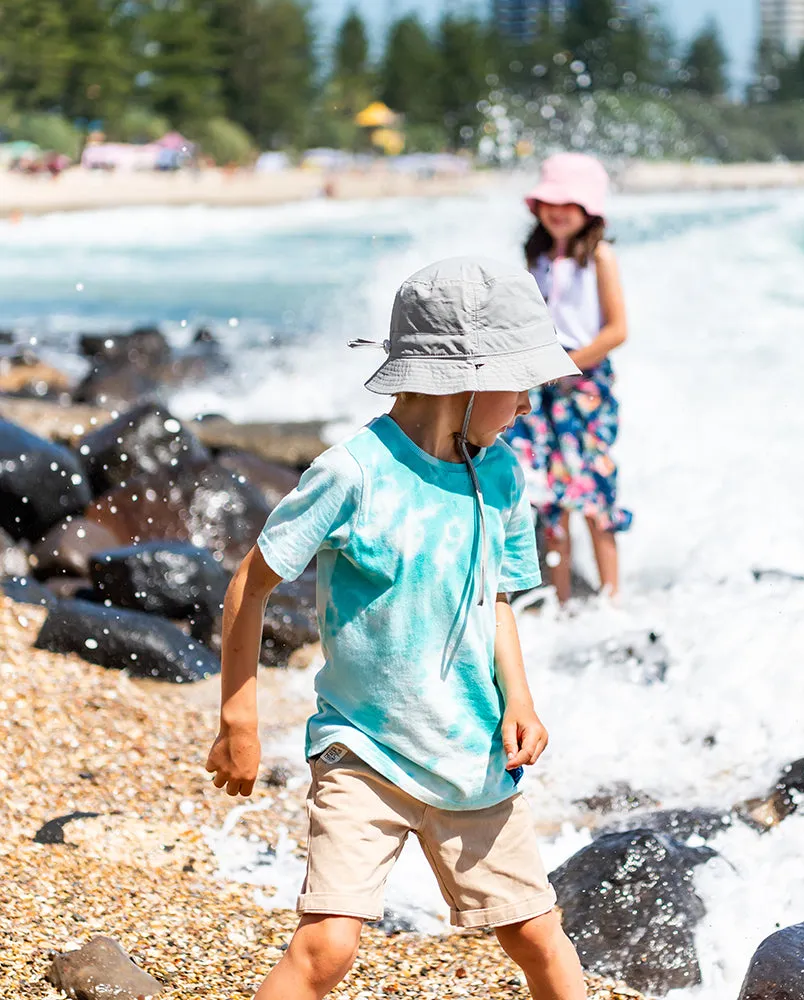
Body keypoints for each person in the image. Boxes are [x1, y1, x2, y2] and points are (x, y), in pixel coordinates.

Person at [205, 257, 588, 1000]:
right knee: (326, 948)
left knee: (538, 937)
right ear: (467, 379)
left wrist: (520, 701)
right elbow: (249, 585)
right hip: (363, 751)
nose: (528, 403)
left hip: (471, 753)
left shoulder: (502, 477)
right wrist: (237, 716)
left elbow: (497, 599)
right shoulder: (354, 473)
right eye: (520, 384)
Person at [506, 153, 632, 605]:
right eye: (549, 201)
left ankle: (612, 598)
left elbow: (617, 330)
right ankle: (559, 602)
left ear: (589, 209)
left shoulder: (601, 256)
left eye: (569, 203)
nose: (558, 211)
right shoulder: (534, 256)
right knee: (550, 492)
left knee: (595, 489)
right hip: (541, 387)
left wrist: (570, 362)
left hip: (585, 387)